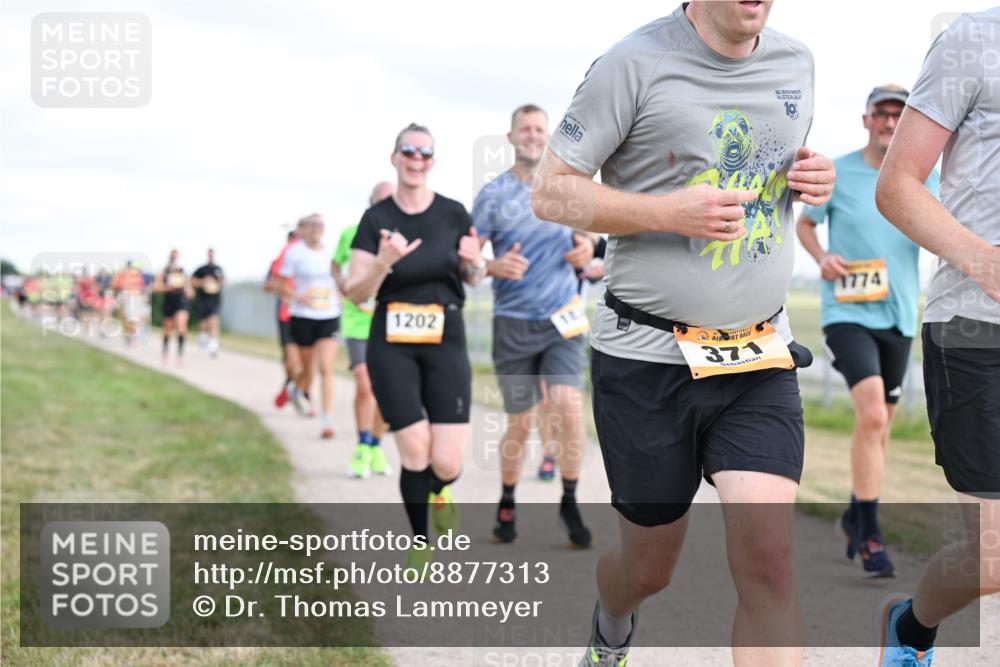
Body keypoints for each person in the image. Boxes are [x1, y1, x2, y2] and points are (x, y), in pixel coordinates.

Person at [531, 2, 837, 665]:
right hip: (646, 359)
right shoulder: (633, 63)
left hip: (757, 354)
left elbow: (769, 177)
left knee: (770, 558)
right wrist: (665, 212)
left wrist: (814, 177)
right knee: (647, 570)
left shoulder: (796, 62)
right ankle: (612, 622)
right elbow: (550, 192)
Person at [874, 9, 999, 666]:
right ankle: (911, 626)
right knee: (994, 557)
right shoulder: (975, 39)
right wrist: (983, 260)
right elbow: (897, 186)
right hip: (977, 329)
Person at [796, 84, 941, 578]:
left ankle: (854, 514)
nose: (889, 122)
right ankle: (871, 535)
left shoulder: (923, 178)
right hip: (847, 314)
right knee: (874, 414)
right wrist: (822, 258)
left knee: (879, 427)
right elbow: (806, 224)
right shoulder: (839, 173)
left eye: (899, 115)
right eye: (881, 114)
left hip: (898, 316)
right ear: (866, 120)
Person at [344, 123, 485, 569]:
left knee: (446, 462)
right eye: (408, 150)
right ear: (395, 158)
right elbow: (355, 292)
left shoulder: (453, 213)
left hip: (445, 337)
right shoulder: (375, 220)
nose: (416, 159)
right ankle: (421, 541)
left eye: (424, 153)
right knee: (414, 450)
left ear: (433, 162)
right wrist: (383, 262)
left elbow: (473, 276)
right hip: (392, 343)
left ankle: (440, 490)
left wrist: (475, 264)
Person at [472, 103, 596, 547]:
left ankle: (570, 500)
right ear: (511, 138)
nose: (532, 135)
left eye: (539, 129)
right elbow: (466, 262)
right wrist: (491, 267)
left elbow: (591, 236)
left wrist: (587, 248)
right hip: (514, 323)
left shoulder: (567, 188)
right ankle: (507, 501)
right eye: (524, 129)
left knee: (568, 406)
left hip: (563, 319)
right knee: (521, 421)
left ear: (549, 137)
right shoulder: (493, 195)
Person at [334, 181, 395, 479]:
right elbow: (335, 265)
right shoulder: (352, 233)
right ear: (370, 204)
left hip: (389, 320)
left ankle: (376, 445)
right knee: (364, 383)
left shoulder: (403, 236)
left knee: (386, 388)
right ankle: (361, 445)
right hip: (357, 321)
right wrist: (344, 288)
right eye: (380, 200)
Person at [271, 214, 341, 439]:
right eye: (313, 225)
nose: (317, 229)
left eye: (321, 225)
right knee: (307, 370)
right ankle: (295, 388)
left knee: (326, 368)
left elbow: (339, 279)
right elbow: (279, 285)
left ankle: (327, 420)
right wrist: (299, 297)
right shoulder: (294, 253)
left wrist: (341, 296)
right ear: (305, 229)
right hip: (303, 316)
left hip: (329, 315)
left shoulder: (332, 252)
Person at [266, 228, 305, 410]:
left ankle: (296, 391)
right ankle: (291, 387)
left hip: (310, 316)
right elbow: (269, 285)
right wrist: (287, 293)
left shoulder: (313, 258)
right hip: (286, 314)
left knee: (306, 361)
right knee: (292, 361)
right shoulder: (281, 259)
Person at [152, 249, 192, 365]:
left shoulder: (182, 271)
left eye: (176, 256)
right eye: (172, 256)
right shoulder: (165, 271)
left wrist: (187, 290)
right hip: (169, 300)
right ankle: (165, 354)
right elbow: (155, 287)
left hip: (181, 301)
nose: (174, 258)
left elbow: (190, 292)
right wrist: (167, 288)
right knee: (167, 329)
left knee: (181, 326)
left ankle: (180, 355)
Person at [192, 248, 225, 357]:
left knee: (214, 321)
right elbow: (193, 281)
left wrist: (215, 281)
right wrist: (203, 281)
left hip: (214, 299)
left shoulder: (218, 269)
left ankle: (214, 346)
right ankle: (203, 338)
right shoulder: (201, 269)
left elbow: (223, 281)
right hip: (203, 299)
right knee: (204, 323)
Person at [112, 260, 146, 346]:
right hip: (125, 297)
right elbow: (115, 285)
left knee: (133, 319)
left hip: (134, 297)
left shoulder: (137, 274)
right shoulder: (121, 274)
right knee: (125, 319)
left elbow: (141, 286)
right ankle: (129, 337)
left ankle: (132, 338)